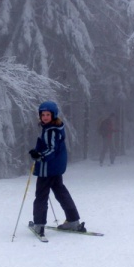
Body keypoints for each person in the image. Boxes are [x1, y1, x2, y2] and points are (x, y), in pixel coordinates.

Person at [28, 101, 82, 237]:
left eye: (48, 114)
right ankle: (73, 221)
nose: (45, 117)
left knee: (41, 195)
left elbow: (51, 149)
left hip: (48, 168)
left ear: (54, 115)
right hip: (55, 167)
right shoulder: (52, 128)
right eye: (43, 114)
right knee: (60, 192)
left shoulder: (51, 130)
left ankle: (39, 225)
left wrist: (39, 155)